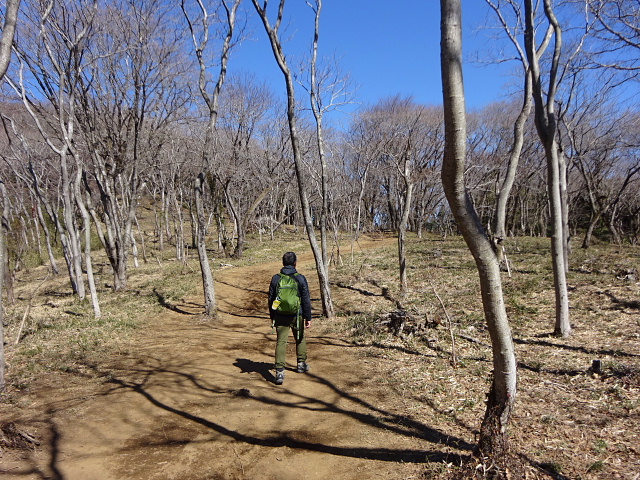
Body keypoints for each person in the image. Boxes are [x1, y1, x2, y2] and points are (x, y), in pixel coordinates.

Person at [268, 251, 312, 385]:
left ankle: (280, 372)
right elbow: (305, 299)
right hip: (296, 314)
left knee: (281, 341)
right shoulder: (300, 278)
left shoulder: (276, 278)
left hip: (280, 315)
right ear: (295, 263)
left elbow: (271, 299)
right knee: (300, 338)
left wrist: (273, 316)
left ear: (282, 263)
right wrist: (308, 316)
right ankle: (301, 364)